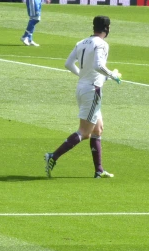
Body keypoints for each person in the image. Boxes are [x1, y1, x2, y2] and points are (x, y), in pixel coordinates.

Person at [44, 16, 121, 179]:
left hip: (82, 88)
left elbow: (68, 63)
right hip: (92, 91)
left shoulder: (82, 42)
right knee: (85, 132)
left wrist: (83, 76)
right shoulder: (102, 44)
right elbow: (98, 65)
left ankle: (99, 171)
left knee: (98, 129)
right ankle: (53, 156)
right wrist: (112, 75)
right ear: (106, 28)